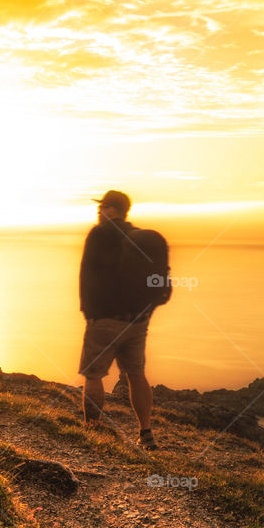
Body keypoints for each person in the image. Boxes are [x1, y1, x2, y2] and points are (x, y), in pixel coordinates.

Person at [77, 189, 170, 450]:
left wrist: (90, 314)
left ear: (113, 210)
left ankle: (91, 430)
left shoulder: (99, 234)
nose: (99, 211)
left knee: (93, 375)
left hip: (104, 321)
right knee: (136, 375)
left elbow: (86, 275)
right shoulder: (141, 238)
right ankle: (146, 433)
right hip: (137, 323)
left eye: (103, 207)